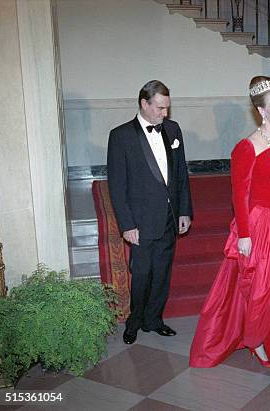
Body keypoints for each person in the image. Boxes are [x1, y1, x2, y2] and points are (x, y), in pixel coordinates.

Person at [189, 76, 270, 395]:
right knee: (269, 296)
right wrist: (244, 234)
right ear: (260, 110)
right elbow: (239, 195)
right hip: (261, 228)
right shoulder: (247, 147)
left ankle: (256, 339)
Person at [107, 80, 192, 345]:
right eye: (159, 108)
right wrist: (127, 224)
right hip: (141, 222)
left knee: (162, 272)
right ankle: (134, 322)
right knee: (142, 273)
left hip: (169, 216)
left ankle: (154, 319)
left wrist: (184, 212)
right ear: (144, 104)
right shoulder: (121, 136)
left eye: (167, 108)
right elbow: (117, 186)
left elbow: (180, 175)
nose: (164, 114)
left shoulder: (173, 129)